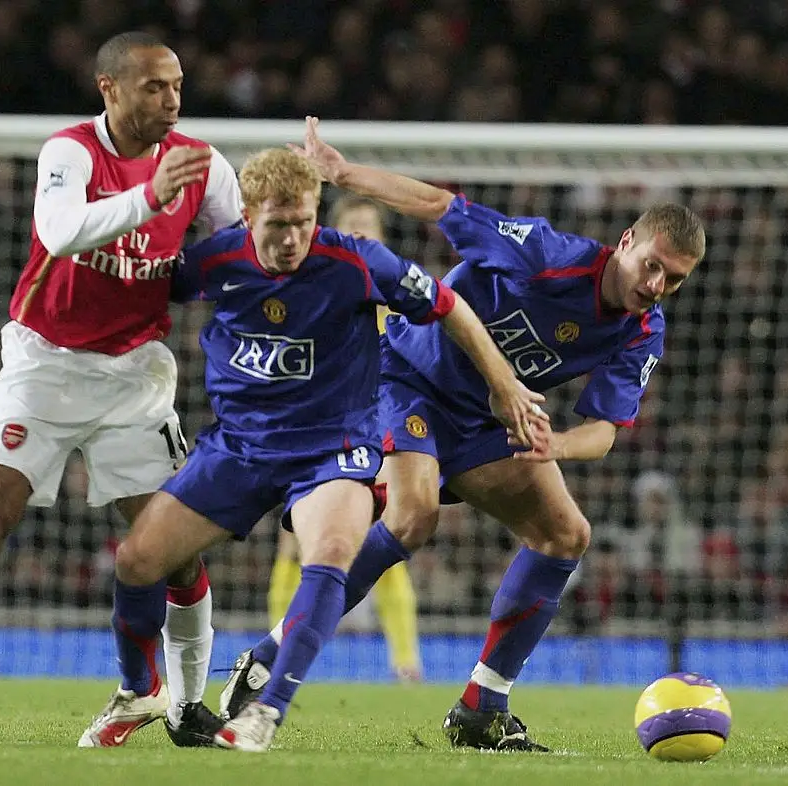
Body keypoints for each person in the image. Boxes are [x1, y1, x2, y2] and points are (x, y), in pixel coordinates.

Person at [222, 116, 706, 751]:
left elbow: (605, 430)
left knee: (566, 534)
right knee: (413, 516)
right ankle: (272, 655)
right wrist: (344, 174)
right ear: (625, 242)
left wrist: (554, 445)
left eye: (672, 279)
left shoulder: (644, 329)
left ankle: (483, 705)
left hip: (484, 420)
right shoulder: (546, 254)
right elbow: (440, 206)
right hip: (409, 377)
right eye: (651, 266)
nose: (655, 286)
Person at [0, 31, 243, 748]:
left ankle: (187, 708)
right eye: (154, 86)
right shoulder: (70, 153)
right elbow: (61, 234)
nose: (171, 100)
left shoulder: (207, 167)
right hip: (46, 363)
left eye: (178, 85)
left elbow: (235, 260)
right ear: (110, 88)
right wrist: (149, 196)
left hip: (136, 374)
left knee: (175, 546)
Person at [109, 147, 547, 753]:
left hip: (331, 449)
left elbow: (451, 308)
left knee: (333, 553)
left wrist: (504, 386)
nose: (292, 239)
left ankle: (266, 710)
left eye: (304, 222)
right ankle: (140, 688)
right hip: (239, 447)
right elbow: (145, 294)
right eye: (277, 225)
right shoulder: (214, 260)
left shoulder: (356, 260)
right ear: (247, 214)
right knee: (136, 561)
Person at [266, 193, 423, 682]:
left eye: (368, 227)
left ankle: (406, 662)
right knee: (294, 547)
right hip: (316, 429)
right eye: (351, 225)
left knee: (384, 542)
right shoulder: (313, 290)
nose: (360, 234)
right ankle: (278, 644)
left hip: (378, 433)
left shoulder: (396, 301)